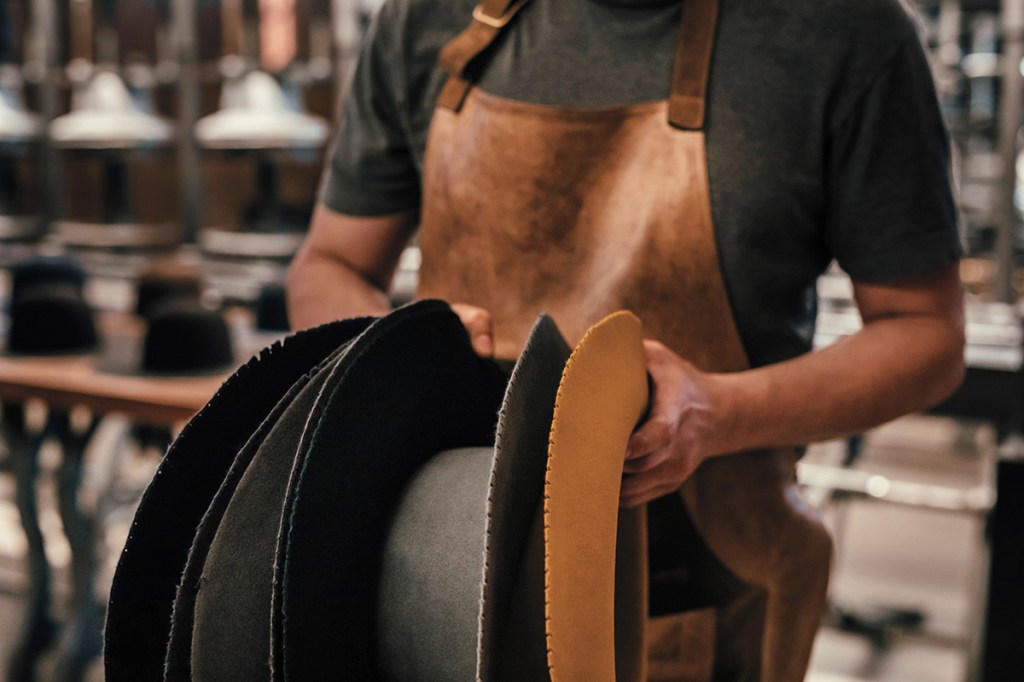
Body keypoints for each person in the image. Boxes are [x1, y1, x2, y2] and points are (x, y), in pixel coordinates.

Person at [287, 0, 965, 678]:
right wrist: (398, 352)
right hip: (445, 584)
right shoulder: (426, 18)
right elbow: (329, 266)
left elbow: (925, 333)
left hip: (699, 594)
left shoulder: (845, 30)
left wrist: (719, 410)